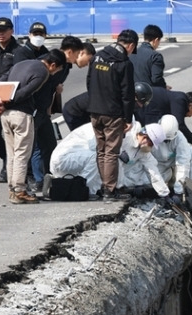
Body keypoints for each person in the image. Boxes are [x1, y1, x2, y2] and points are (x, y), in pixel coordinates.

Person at [0, 49, 67, 204]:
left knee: (11, 153)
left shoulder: (21, 64)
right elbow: (27, 92)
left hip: (5, 116)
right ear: (53, 65)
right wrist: (9, 103)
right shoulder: (43, 72)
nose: (55, 74)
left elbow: (1, 81)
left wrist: (0, 102)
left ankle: (12, 188)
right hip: (21, 115)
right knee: (22, 153)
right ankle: (20, 190)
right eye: (57, 70)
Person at [49, 121, 170, 199]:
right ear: (144, 135)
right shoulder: (123, 134)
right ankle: (88, 193)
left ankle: (54, 184)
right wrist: (117, 153)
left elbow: (153, 171)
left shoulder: (142, 149)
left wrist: (164, 194)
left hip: (77, 165)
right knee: (100, 157)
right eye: (150, 142)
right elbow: (98, 149)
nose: (150, 145)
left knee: (106, 163)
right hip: (63, 159)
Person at [86, 29, 139, 201]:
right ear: (130, 45)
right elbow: (127, 93)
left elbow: (89, 82)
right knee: (111, 152)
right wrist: (128, 118)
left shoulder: (97, 57)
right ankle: (109, 189)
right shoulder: (124, 63)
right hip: (113, 113)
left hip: (95, 110)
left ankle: (104, 185)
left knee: (101, 150)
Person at [28, 35, 84, 192]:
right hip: (35, 109)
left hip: (45, 109)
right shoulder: (46, 61)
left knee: (50, 143)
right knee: (37, 146)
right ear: (70, 51)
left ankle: (48, 175)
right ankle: (37, 179)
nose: (77, 58)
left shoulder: (65, 66)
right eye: (77, 54)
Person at [0, 17, 21, 183]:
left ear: (11, 31)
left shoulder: (18, 51)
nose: (1, 34)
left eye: (4, 30)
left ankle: (11, 165)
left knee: (12, 134)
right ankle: (6, 158)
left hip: (12, 97)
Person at [63, 81, 152, 133]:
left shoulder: (126, 98)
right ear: (135, 97)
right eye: (141, 102)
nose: (141, 106)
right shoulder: (116, 99)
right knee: (84, 139)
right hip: (74, 112)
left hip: (88, 112)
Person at [152, 115, 192, 198]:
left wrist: (178, 191)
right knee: (148, 184)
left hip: (173, 160)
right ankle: (170, 181)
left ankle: (190, 193)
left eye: (169, 140)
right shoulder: (152, 134)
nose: (166, 142)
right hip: (158, 163)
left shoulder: (180, 138)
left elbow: (183, 164)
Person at [130, 24, 170, 90]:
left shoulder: (132, 53)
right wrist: (164, 87)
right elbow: (156, 79)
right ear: (156, 40)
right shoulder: (155, 56)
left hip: (133, 92)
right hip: (149, 93)